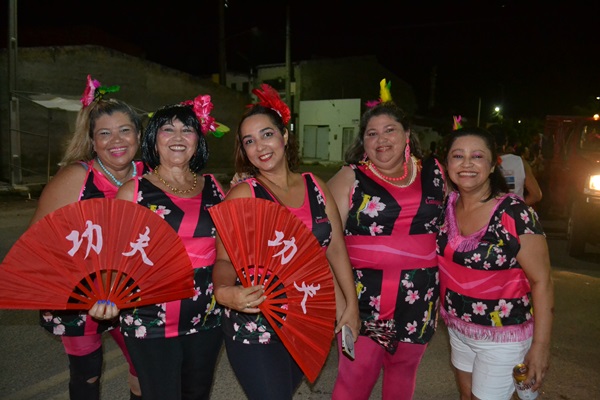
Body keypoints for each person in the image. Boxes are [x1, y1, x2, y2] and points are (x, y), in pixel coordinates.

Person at [212, 84, 360, 400]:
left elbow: (335, 248)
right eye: (249, 141)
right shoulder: (243, 195)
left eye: (267, 134)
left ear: (284, 136)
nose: (260, 146)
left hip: (308, 317)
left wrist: (351, 305)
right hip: (257, 321)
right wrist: (225, 292)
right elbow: (224, 259)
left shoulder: (315, 185)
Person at [91, 94, 226, 400]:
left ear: (197, 141)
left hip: (207, 318)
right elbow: (111, 255)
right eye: (168, 129)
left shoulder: (216, 188)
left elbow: (230, 249)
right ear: (154, 139)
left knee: (197, 395)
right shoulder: (134, 192)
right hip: (150, 320)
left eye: (187, 129)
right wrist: (105, 294)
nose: (178, 137)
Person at [327, 83, 446, 400]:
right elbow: (324, 242)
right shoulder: (350, 177)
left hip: (418, 299)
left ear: (407, 134)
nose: (381, 140)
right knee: (354, 380)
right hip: (362, 301)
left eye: (389, 130)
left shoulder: (435, 173)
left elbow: (455, 225)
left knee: (403, 374)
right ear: (363, 141)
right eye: (372, 133)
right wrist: (343, 305)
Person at [30, 75, 144, 400]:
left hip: (131, 290)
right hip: (77, 293)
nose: (116, 140)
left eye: (125, 130)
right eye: (104, 133)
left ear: (138, 136)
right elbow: (37, 242)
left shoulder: (149, 175)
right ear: (93, 141)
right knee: (87, 372)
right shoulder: (75, 178)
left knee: (144, 368)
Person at [437, 127, 554, 400]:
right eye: (458, 156)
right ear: (447, 164)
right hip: (458, 329)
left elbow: (542, 281)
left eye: (477, 156)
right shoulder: (447, 206)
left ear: (492, 166)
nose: (467, 163)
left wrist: (540, 346)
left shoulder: (514, 213)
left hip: (503, 337)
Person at [489, 125, 542, 206]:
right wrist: (517, 207)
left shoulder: (480, 163)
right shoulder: (520, 162)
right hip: (514, 212)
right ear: (506, 142)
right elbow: (536, 195)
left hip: (487, 213)